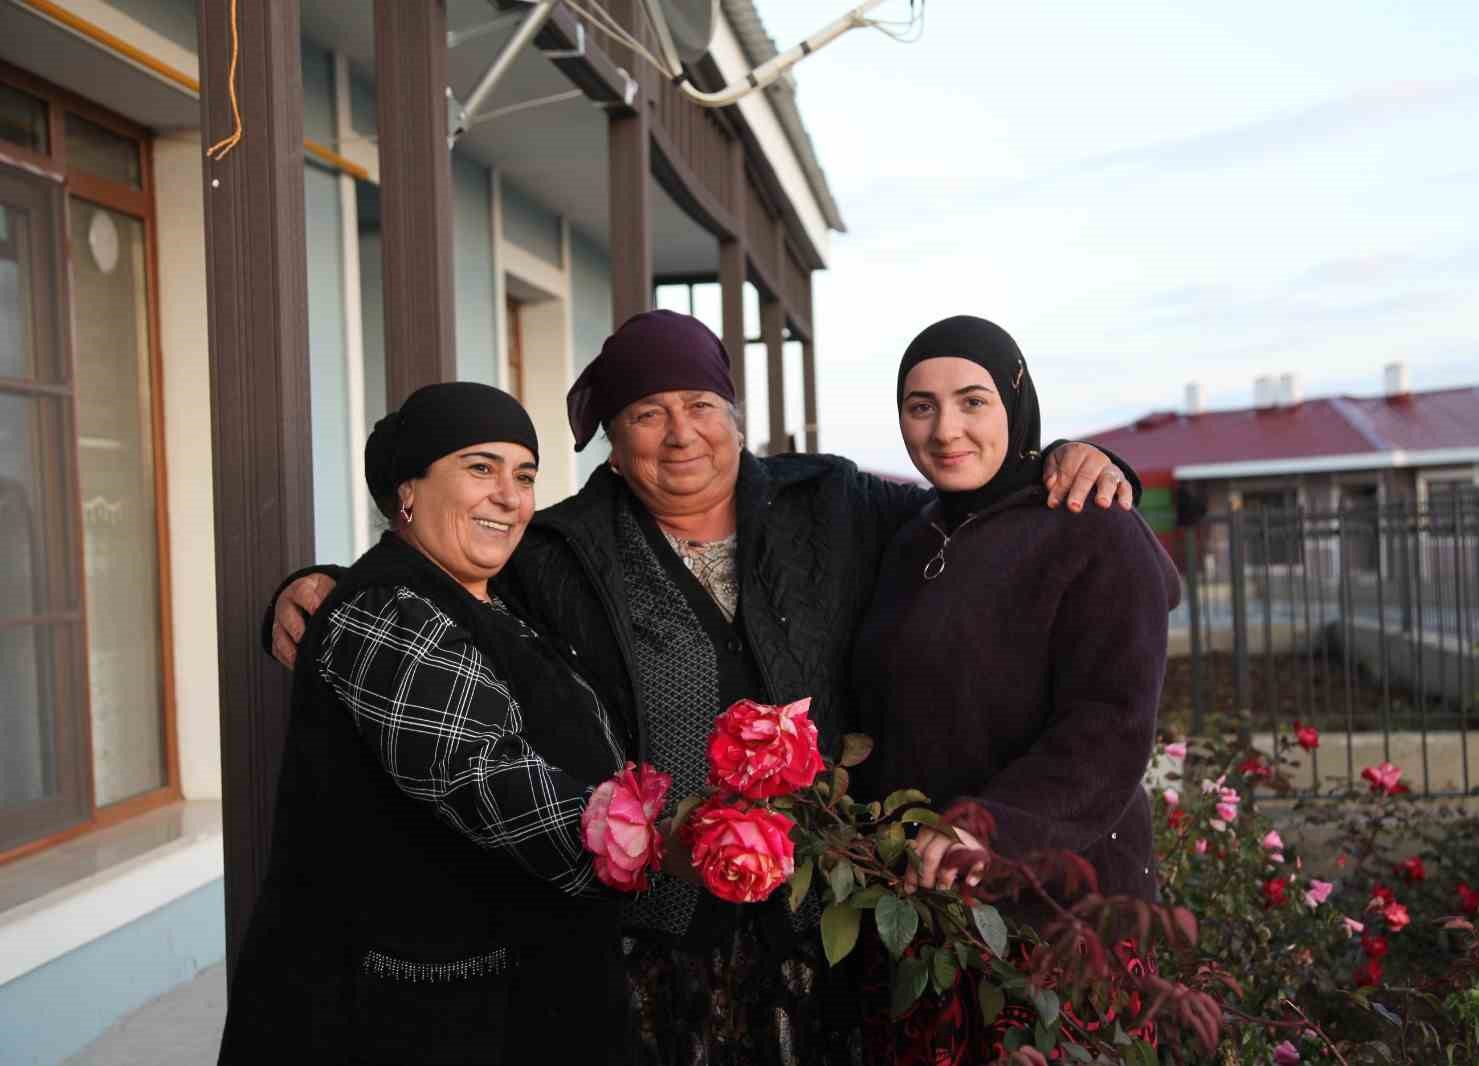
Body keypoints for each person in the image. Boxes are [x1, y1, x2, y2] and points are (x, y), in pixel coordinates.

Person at [265, 310, 1140, 1065]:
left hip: (831, 921)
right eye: (646, 413)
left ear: (733, 414)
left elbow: (972, 513)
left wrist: (1070, 459)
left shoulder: (835, 502)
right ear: (613, 438)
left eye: (698, 406)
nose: (679, 434)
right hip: (659, 936)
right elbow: (451, 581)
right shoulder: (559, 551)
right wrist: (323, 583)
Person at [219, 383, 629, 1065]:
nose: (509, 494)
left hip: (516, 995)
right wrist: (652, 845)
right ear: (406, 492)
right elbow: (482, 775)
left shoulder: (499, 600)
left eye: (524, 475)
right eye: (479, 467)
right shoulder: (386, 613)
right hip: (407, 1018)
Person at [850, 315, 1182, 1061]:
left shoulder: (1092, 525)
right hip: (930, 909)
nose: (945, 430)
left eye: (973, 401)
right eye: (920, 406)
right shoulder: (912, 539)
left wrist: (986, 826)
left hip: (1063, 916)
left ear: (1016, 404)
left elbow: (1109, 726)